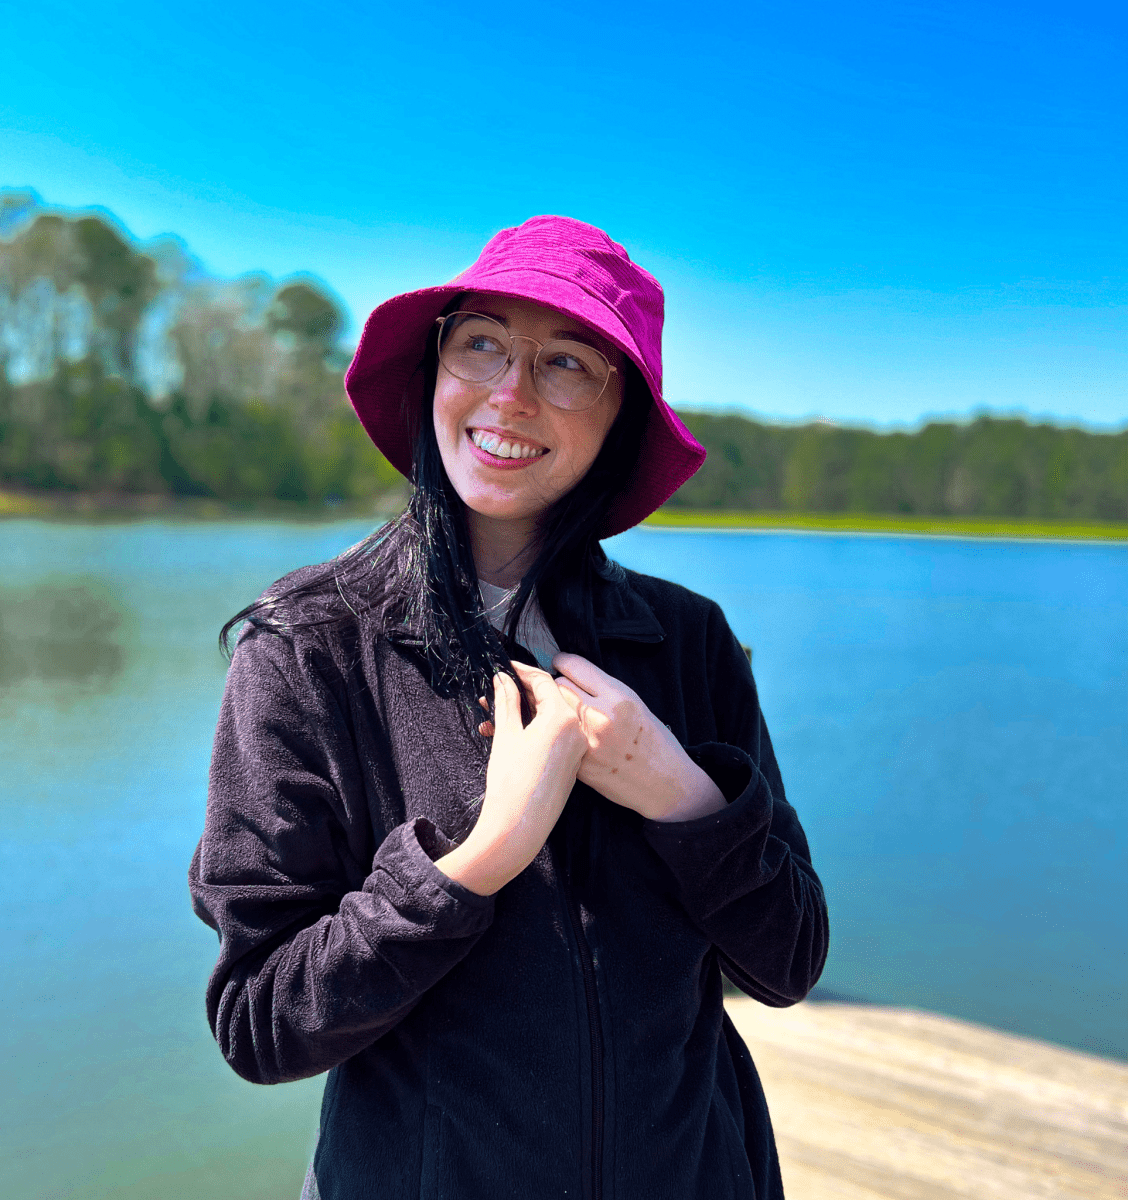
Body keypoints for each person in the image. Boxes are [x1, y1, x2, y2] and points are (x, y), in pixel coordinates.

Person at [189, 215, 828, 1200]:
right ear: (435, 371)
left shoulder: (690, 640)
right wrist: (476, 861)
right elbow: (262, 1022)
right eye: (480, 342)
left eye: (569, 362)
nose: (511, 393)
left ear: (621, 418)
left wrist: (684, 797)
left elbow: (789, 962)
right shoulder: (309, 645)